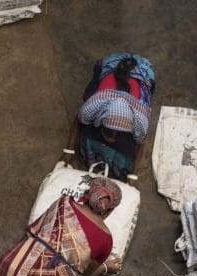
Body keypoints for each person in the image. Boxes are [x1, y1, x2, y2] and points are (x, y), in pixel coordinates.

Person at [62, 52, 156, 183]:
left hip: (143, 70)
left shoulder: (140, 120)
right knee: (87, 115)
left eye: (116, 135)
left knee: (128, 152)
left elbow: (141, 145)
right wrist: (68, 151)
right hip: (111, 63)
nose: (111, 139)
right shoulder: (92, 107)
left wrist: (133, 176)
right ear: (101, 118)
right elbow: (77, 121)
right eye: (108, 133)